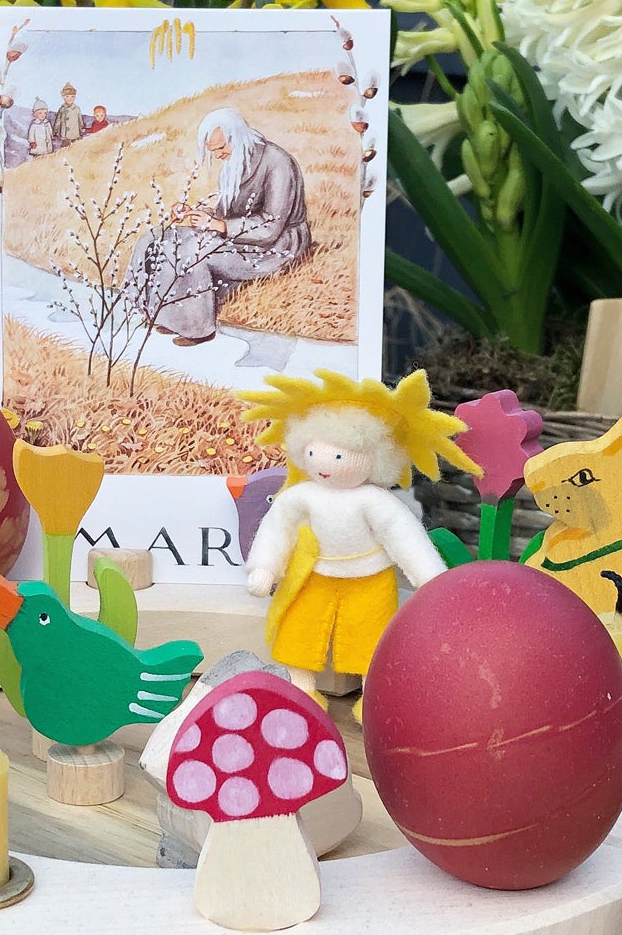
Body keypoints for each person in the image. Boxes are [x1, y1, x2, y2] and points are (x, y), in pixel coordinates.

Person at [238, 371, 477, 692]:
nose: (324, 464)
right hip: (312, 575)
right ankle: (300, 689)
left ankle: (373, 695)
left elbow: (404, 536)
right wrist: (265, 567)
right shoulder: (300, 496)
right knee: (299, 630)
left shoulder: (375, 501)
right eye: (313, 451)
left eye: (339, 456)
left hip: (370, 578)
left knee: (371, 637)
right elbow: (277, 530)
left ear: (378, 459)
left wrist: (430, 578)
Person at [121, 108, 311, 347]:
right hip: (239, 234)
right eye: (214, 151)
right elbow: (227, 213)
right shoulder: (236, 160)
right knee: (155, 238)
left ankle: (196, 328)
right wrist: (195, 213)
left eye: (221, 148)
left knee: (192, 250)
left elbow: (271, 226)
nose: (219, 155)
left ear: (237, 136)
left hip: (277, 245)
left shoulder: (277, 162)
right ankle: (160, 313)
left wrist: (218, 225)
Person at [53, 82, 84, 147]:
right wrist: (55, 131)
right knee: (65, 148)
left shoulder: (77, 108)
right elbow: (58, 121)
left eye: (72, 96)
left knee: (75, 148)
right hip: (65, 135)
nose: (70, 98)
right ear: (63, 97)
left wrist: (82, 128)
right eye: (67, 96)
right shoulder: (62, 109)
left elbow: (80, 120)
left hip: (75, 133)